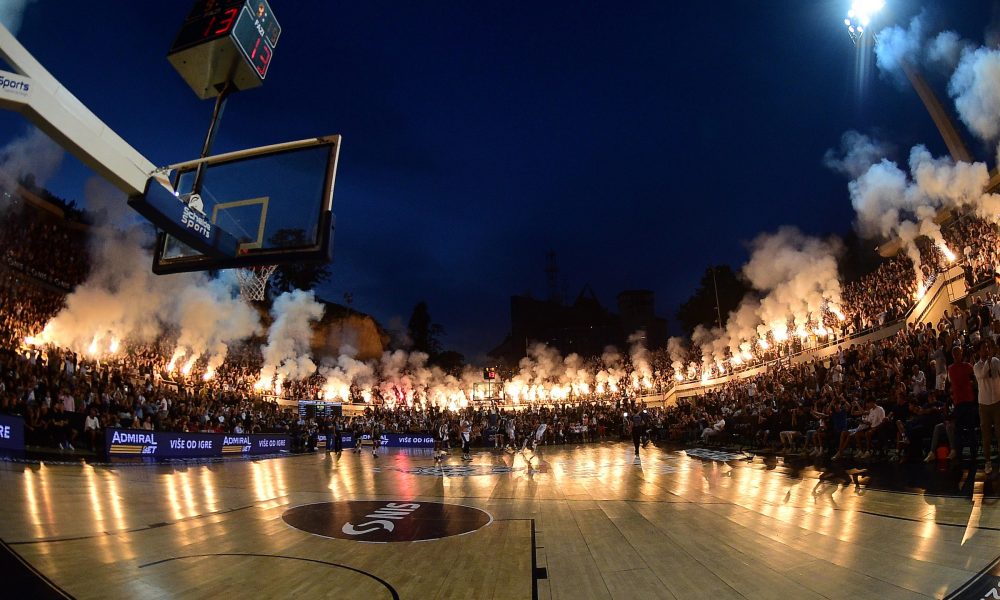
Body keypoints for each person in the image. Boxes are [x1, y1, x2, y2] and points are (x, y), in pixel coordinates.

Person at [974, 339, 1000, 474]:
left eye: (988, 347)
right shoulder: (977, 366)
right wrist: (988, 361)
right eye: (984, 348)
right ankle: (988, 462)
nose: (986, 350)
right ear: (979, 351)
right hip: (984, 404)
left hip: (997, 401)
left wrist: (992, 360)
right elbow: (982, 375)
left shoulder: (996, 361)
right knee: (986, 435)